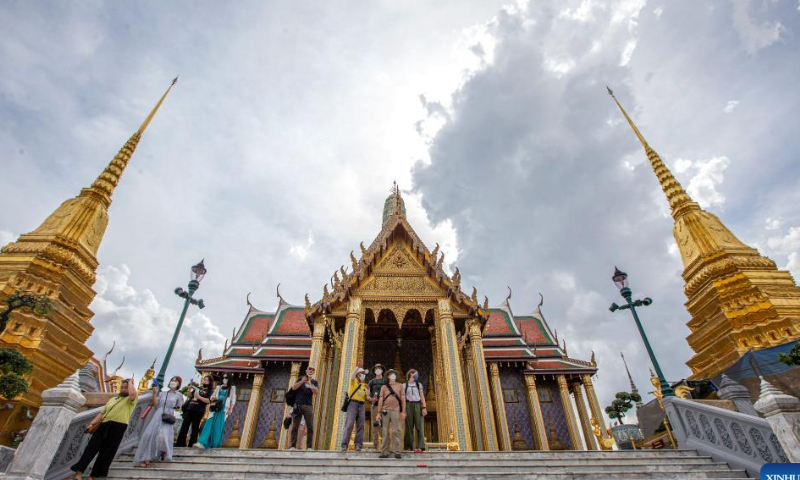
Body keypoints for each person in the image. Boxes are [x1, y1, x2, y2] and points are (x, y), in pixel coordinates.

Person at [70, 376, 138, 480]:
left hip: (118, 427)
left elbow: (132, 394)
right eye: (122, 387)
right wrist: (92, 424)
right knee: (90, 449)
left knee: (107, 453)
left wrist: (130, 382)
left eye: (126, 387)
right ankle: (78, 472)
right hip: (104, 425)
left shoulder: (131, 400)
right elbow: (102, 413)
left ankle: (93, 476)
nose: (124, 389)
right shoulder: (113, 399)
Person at [134, 376, 184, 467]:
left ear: (178, 384)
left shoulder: (178, 395)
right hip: (159, 414)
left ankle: (163, 451)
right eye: (172, 380)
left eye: (175, 381)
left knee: (163, 436)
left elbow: (179, 407)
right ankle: (147, 457)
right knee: (151, 434)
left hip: (168, 415)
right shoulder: (162, 393)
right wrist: (154, 394)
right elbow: (155, 404)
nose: (173, 382)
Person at [194, 373, 236, 449]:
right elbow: (212, 397)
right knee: (209, 424)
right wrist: (213, 397)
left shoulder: (232, 388)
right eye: (223, 377)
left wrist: (231, 409)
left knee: (218, 426)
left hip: (223, 409)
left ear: (229, 379)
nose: (224, 379)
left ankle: (215, 444)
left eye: (226, 378)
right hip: (215, 407)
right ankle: (201, 442)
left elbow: (233, 400)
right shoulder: (218, 387)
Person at [375, 369, 405, 459]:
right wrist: (378, 413)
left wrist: (403, 411)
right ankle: (385, 451)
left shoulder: (400, 386)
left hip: (396, 410)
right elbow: (380, 400)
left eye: (394, 374)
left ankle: (397, 451)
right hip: (385, 410)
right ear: (388, 376)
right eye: (391, 374)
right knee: (385, 431)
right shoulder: (384, 387)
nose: (393, 375)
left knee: (396, 431)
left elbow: (403, 399)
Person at [175, 375, 213, 447]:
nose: (204, 381)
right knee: (184, 426)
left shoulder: (210, 391)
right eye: (204, 379)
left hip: (199, 410)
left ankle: (191, 444)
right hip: (190, 408)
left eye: (206, 380)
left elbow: (208, 401)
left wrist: (199, 397)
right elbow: (190, 396)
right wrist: (189, 389)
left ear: (210, 382)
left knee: (195, 428)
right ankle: (180, 443)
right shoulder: (198, 388)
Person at [289, 365, 318, 450]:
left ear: (313, 372)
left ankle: (309, 447)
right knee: (295, 426)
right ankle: (292, 446)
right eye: (309, 369)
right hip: (298, 405)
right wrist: (302, 381)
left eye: (313, 369)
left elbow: (316, 392)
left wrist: (310, 384)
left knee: (310, 427)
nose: (311, 370)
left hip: (308, 405)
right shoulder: (300, 379)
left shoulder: (314, 382)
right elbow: (293, 388)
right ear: (306, 370)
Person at [340, 366, 368, 452]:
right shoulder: (353, 381)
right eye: (362, 373)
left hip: (361, 405)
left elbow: (366, 396)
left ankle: (358, 445)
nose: (363, 375)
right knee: (349, 425)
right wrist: (357, 367)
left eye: (364, 374)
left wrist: (368, 390)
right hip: (352, 404)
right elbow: (352, 376)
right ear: (358, 374)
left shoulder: (364, 385)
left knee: (360, 426)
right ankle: (344, 445)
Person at [403, 369, 427, 452]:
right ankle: (409, 446)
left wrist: (424, 407)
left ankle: (421, 446)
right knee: (409, 427)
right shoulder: (404, 385)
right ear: (411, 374)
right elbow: (402, 398)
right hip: (408, 405)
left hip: (417, 405)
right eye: (415, 374)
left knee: (419, 426)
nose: (417, 375)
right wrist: (403, 410)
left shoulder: (418, 385)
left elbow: (422, 396)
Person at [367, 363, 386, 450]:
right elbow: (367, 395)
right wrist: (371, 399)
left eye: (379, 368)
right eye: (376, 369)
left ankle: (386, 447)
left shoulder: (385, 381)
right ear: (374, 371)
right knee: (375, 426)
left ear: (382, 370)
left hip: (385, 406)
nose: (378, 370)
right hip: (375, 405)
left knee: (385, 426)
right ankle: (376, 447)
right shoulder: (371, 382)